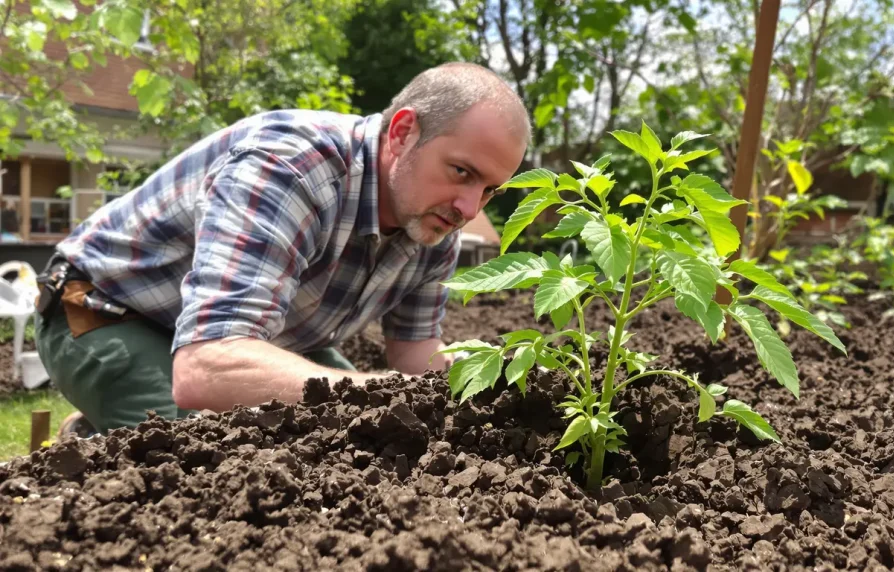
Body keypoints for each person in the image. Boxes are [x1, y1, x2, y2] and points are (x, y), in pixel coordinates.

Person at [34, 62, 531, 437]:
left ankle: (117, 415)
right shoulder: (291, 167)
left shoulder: (433, 219)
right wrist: (390, 395)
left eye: (490, 190)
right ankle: (97, 442)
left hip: (253, 335)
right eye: (462, 172)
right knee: (220, 447)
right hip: (106, 308)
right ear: (402, 133)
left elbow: (414, 352)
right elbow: (208, 366)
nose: (470, 207)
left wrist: (505, 392)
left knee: (372, 434)